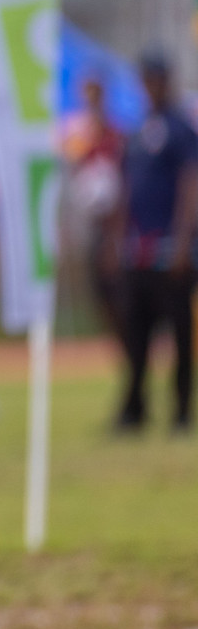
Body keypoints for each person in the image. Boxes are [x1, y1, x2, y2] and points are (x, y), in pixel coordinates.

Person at [108, 52, 198, 434]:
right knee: (135, 332)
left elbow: (190, 184)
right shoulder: (138, 129)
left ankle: (180, 411)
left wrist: (182, 238)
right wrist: (116, 236)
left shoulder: (181, 128)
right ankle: (134, 408)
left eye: (157, 78)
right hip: (137, 248)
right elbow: (127, 186)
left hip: (169, 249)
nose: (152, 85)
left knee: (179, 333)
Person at [63, 76, 125, 338]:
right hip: (89, 221)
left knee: (117, 286)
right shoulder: (78, 135)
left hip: (116, 221)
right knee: (100, 291)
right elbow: (70, 169)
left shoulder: (115, 133)